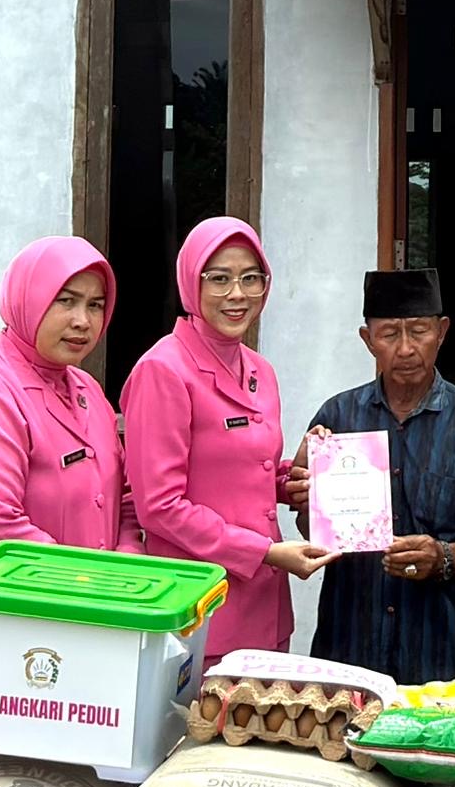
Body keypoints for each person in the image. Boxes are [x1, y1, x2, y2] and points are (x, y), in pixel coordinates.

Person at [0, 235, 137, 703]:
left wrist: (126, 560)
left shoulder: (86, 392)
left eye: (96, 305)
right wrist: (95, 584)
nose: (83, 321)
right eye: (66, 301)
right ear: (28, 300)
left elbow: (122, 497)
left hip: (86, 640)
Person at [121, 216, 330, 668]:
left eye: (251, 278)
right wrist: (264, 552)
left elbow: (243, 471)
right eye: (219, 279)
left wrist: (289, 480)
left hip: (267, 604)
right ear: (190, 283)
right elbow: (158, 505)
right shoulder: (164, 371)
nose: (238, 294)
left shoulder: (260, 371)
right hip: (203, 606)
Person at [301, 268, 455, 685]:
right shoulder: (337, 419)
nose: (405, 349)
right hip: (351, 647)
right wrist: (303, 496)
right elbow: (314, 532)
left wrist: (445, 557)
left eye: (418, 331)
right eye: (388, 334)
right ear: (368, 340)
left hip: (444, 655)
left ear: (441, 332)